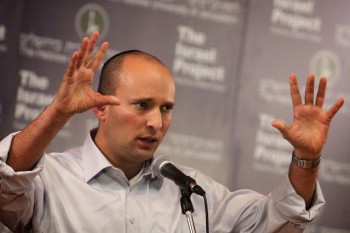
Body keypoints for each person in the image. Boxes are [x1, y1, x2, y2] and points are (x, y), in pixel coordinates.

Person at [0, 31, 344, 233]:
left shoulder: (193, 191)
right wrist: (58, 113)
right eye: (142, 105)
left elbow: (277, 223)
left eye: (166, 108)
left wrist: (307, 157)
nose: (156, 122)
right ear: (100, 107)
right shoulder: (52, 180)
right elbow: (6, 183)